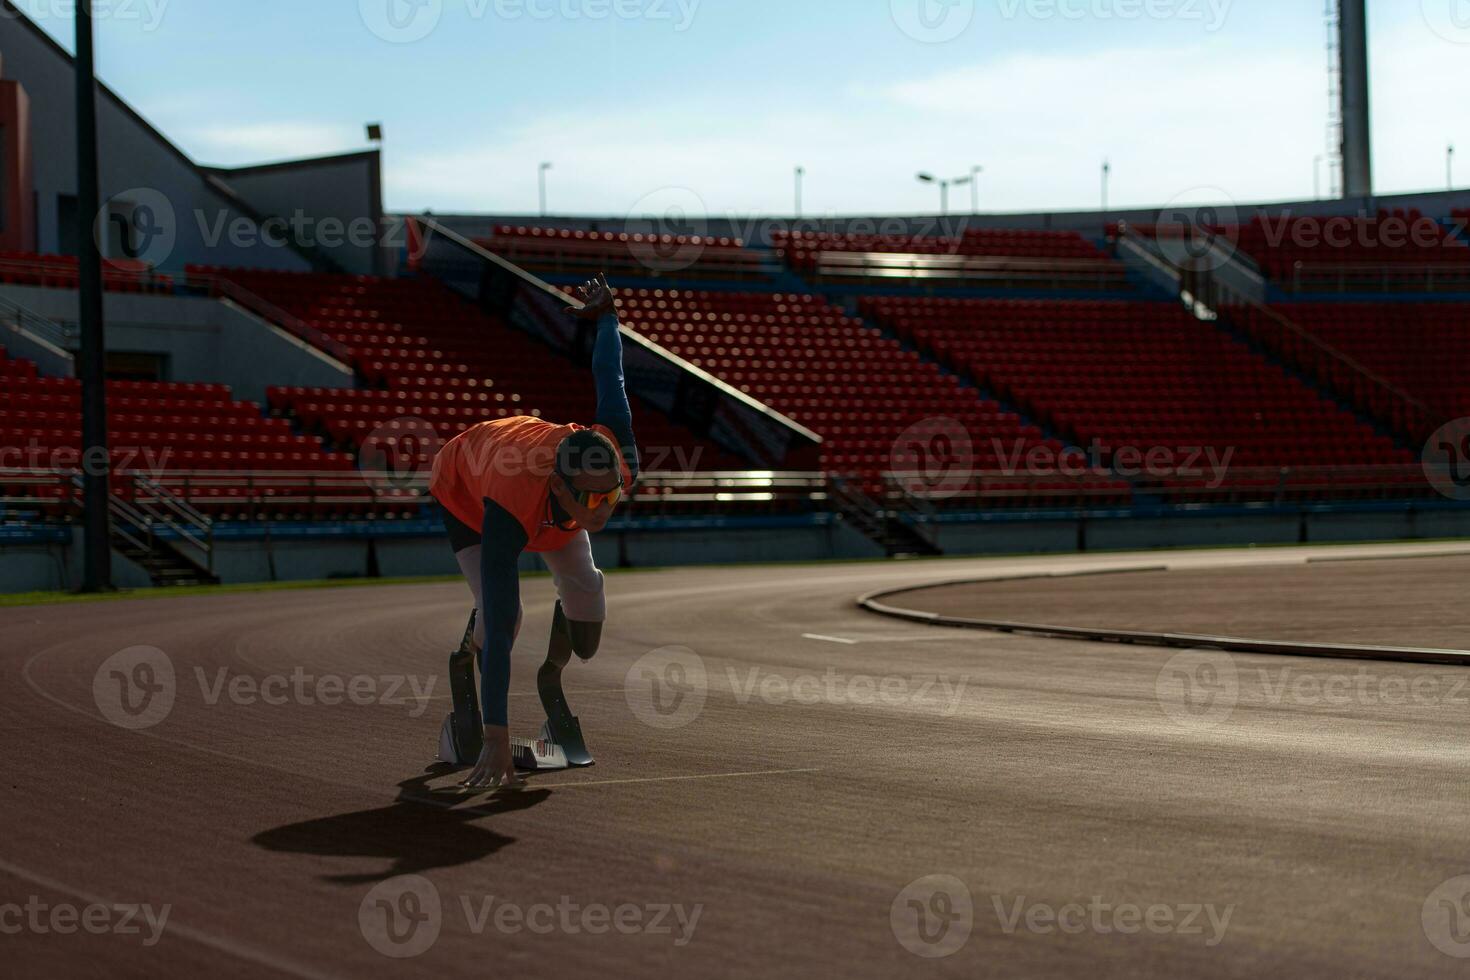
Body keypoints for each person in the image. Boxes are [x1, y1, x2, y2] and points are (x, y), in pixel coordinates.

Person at [429, 273, 637, 790]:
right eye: (592, 499)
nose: (604, 509)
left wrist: (609, 316)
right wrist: (498, 735)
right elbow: (501, 629)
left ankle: (553, 685)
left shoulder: (612, 454)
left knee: (587, 598)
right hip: (468, 491)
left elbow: (610, 374)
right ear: (562, 489)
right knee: (505, 615)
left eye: (610, 494)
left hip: (545, 505)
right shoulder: (511, 500)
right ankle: (466, 682)